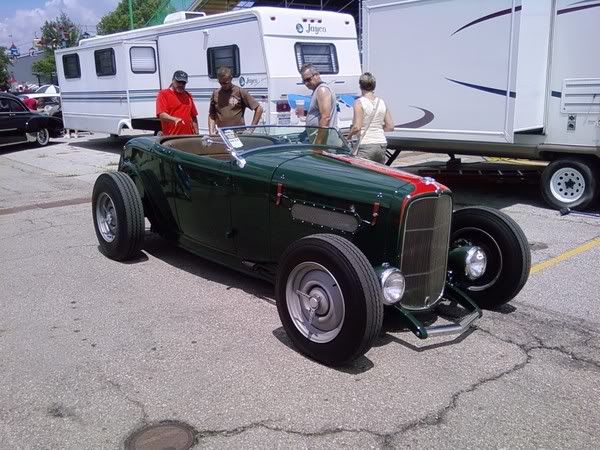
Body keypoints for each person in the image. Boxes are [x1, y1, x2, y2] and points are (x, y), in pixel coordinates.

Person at [346, 72, 394, 163]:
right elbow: (390, 126)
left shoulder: (359, 103)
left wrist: (349, 136)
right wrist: (377, 127)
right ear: (374, 86)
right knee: (378, 174)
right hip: (381, 144)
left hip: (366, 144)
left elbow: (357, 127)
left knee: (363, 174)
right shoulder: (382, 102)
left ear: (360, 86)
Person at [208, 66, 263, 134]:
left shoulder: (240, 92)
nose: (223, 85)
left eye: (225, 83)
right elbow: (211, 115)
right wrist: (211, 132)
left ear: (231, 78)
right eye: (220, 83)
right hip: (222, 133)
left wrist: (251, 129)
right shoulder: (216, 94)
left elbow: (259, 109)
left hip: (238, 133)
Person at [156, 70, 198, 135]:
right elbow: (162, 115)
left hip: (189, 137)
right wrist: (174, 119)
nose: (181, 84)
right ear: (173, 81)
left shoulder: (188, 96)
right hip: (172, 138)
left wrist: (197, 134)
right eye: (178, 82)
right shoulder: (163, 94)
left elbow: (194, 117)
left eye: (183, 83)